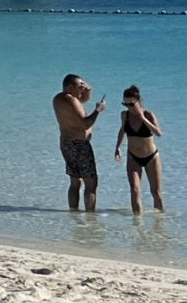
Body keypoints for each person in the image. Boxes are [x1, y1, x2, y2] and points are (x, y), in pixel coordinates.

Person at [54, 73, 107, 211]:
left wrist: (87, 91)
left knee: (75, 181)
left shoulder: (59, 99)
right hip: (79, 145)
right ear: (70, 87)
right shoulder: (72, 101)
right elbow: (85, 124)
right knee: (91, 184)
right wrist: (97, 110)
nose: (81, 90)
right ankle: (90, 218)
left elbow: (80, 101)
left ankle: (74, 214)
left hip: (66, 143)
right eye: (79, 86)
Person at [116, 84, 166, 213]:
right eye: (125, 104)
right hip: (133, 157)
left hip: (151, 157)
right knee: (135, 190)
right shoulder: (124, 115)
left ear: (139, 102)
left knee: (156, 193)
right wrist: (117, 147)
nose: (128, 107)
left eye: (131, 104)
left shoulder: (148, 114)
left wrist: (142, 118)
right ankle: (137, 225)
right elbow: (122, 130)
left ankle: (159, 225)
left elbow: (158, 133)